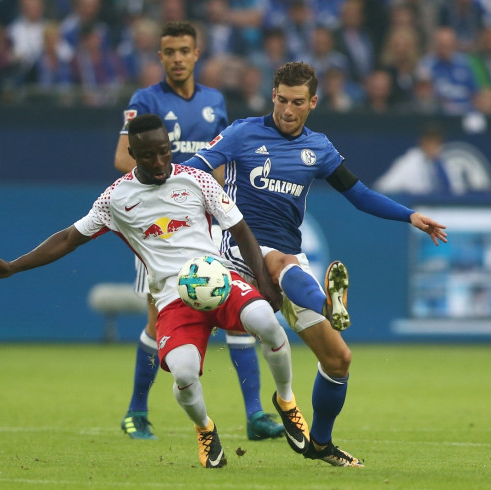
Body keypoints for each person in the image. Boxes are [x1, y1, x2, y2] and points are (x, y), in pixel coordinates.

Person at [0, 114, 311, 469]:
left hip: (220, 281)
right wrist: (14, 266)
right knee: (184, 374)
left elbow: (242, 230)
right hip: (172, 299)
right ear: (132, 153)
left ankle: (287, 401)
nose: (159, 163)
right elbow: (67, 239)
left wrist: (263, 282)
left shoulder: (196, 179)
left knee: (267, 322)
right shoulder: (116, 199)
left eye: (165, 152)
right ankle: (205, 428)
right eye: (149, 155)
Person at [184, 61, 448, 467]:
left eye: (297, 103)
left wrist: (409, 215)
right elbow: (196, 169)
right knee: (281, 263)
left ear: (313, 102)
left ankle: (320, 444)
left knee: (339, 359)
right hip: (240, 251)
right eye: (282, 100)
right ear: (273, 96)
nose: (288, 110)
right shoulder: (242, 133)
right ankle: (327, 303)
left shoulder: (319, 148)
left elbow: (358, 194)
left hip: (288, 259)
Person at [112, 21, 284, 442]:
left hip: (205, 224)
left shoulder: (214, 101)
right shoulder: (144, 99)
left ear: (196, 53)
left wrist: (222, 199)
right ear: (160, 57)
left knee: (235, 308)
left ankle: (256, 414)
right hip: (160, 227)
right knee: (159, 320)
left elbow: (222, 159)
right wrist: (173, 178)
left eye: (183, 51)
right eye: (168, 51)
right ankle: (136, 411)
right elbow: (122, 159)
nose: (176, 58)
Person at [373, 124, 455, 195]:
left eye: (437, 142)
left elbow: (455, 191)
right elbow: (383, 187)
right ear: (422, 142)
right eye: (430, 142)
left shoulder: (444, 163)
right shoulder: (409, 162)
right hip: (415, 207)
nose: (433, 146)